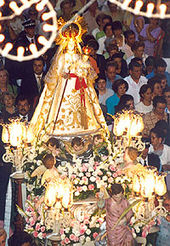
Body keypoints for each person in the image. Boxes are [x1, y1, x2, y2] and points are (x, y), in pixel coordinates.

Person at [30, 21, 108, 136]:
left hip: (78, 84)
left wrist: (84, 61)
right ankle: (61, 126)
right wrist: (63, 73)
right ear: (66, 44)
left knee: (82, 106)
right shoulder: (62, 57)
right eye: (69, 43)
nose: (71, 45)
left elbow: (85, 68)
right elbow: (58, 69)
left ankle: (83, 125)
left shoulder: (79, 56)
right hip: (65, 84)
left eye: (73, 43)